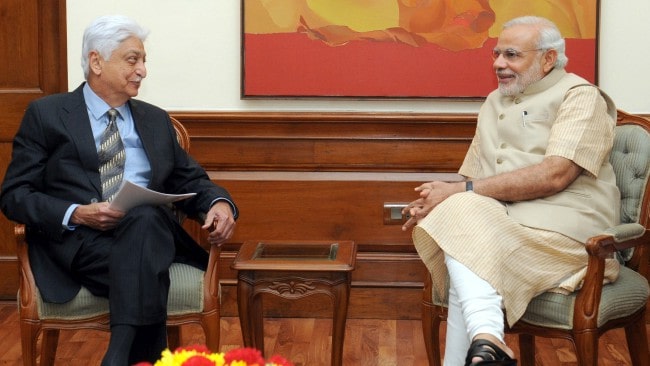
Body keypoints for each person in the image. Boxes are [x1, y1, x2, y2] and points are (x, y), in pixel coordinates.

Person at [0, 15, 238, 365]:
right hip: (79, 243)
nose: (142, 70)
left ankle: (118, 353)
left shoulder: (154, 120)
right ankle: (146, 356)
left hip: (146, 234)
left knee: (143, 217)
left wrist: (218, 203)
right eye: (132, 59)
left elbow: (191, 180)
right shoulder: (47, 115)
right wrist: (77, 213)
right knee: (146, 260)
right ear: (96, 61)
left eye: (144, 61)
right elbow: (14, 194)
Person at [401, 16, 620, 365]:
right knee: (462, 229)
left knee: (463, 242)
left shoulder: (581, 97)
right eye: (497, 54)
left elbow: (555, 175)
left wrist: (459, 194)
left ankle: (487, 341)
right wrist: (434, 203)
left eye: (512, 55)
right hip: (504, 227)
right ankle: (487, 344)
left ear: (548, 59)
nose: (499, 64)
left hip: (569, 236)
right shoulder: (493, 102)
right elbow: (468, 181)